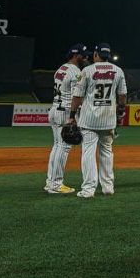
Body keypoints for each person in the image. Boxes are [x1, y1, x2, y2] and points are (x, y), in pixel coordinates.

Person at [68, 43, 127, 198]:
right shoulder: (118, 71)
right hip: (108, 119)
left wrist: (71, 115)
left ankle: (88, 189)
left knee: (88, 152)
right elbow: (122, 95)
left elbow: (77, 96)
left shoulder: (87, 71)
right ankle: (108, 187)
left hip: (89, 120)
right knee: (107, 152)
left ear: (96, 54)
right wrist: (120, 112)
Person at [45, 44, 86, 195]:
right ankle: (56, 184)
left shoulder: (60, 69)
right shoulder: (75, 72)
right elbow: (77, 96)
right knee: (64, 147)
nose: (85, 58)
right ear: (76, 56)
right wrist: (73, 117)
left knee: (57, 146)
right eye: (83, 55)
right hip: (66, 112)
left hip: (55, 108)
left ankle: (51, 182)